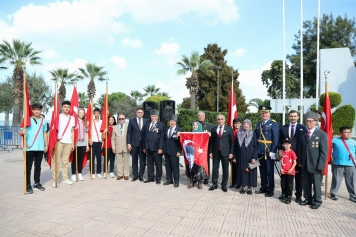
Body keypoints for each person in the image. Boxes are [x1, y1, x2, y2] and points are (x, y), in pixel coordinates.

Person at [298, 111, 327, 209]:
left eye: (310, 121)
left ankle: (317, 200)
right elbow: (300, 148)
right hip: (305, 164)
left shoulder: (321, 134)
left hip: (316, 164)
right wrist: (300, 161)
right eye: (307, 121)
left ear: (315, 122)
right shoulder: (303, 133)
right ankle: (308, 198)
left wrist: (321, 165)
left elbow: (324, 152)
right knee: (306, 182)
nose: (308, 123)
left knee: (316, 184)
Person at [278, 110, 307, 203]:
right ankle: (285, 194)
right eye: (291, 116)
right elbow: (280, 141)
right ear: (288, 117)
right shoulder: (283, 128)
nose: (293, 118)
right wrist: (279, 150)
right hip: (286, 157)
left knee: (299, 178)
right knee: (285, 179)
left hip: (298, 157)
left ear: (298, 117)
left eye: (295, 116)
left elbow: (305, 145)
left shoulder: (303, 128)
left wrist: (302, 160)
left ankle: (298, 196)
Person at [19, 103, 48, 194]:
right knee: (28, 167)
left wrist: (46, 145)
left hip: (39, 147)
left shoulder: (44, 121)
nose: (36, 111)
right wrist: (22, 132)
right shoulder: (27, 120)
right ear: (32, 110)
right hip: (29, 147)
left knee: (38, 166)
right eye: (35, 109)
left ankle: (37, 183)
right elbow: (20, 131)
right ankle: (28, 184)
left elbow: (45, 134)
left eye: (38, 109)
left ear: (41, 111)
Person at [255, 105, 279, 197]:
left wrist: (273, 151)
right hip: (260, 150)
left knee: (270, 171)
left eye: (266, 113)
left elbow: (276, 139)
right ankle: (264, 186)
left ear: (269, 113)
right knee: (262, 170)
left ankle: (270, 189)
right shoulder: (259, 123)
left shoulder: (274, 123)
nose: (264, 114)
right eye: (262, 113)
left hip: (269, 151)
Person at [329, 126, 356, 203]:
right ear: (341, 133)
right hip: (337, 164)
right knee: (336, 180)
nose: (348, 134)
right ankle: (333, 193)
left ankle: (353, 196)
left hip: (350, 164)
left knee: (351, 181)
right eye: (346, 132)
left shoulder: (353, 142)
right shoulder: (334, 141)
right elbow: (328, 148)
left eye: (349, 132)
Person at [209, 114, 234, 192]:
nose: (220, 121)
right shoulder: (213, 129)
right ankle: (214, 184)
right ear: (217, 120)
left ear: (225, 120)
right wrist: (210, 152)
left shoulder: (229, 129)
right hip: (215, 152)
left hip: (225, 153)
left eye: (221, 119)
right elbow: (211, 142)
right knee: (215, 169)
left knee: (225, 169)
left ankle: (224, 185)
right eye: (219, 119)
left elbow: (232, 142)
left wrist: (231, 153)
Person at [53, 100, 75, 187]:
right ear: (62, 107)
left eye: (68, 107)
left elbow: (72, 131)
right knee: (56, 161)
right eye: (65, 107)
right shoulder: (58, 117)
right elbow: (53, 129)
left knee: (65, 161)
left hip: (68, 142)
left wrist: (72, 143)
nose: (67, 108)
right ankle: (55, 180)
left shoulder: (72, 118)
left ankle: (65, 178)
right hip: (59, 141)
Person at [233, 119, 257, 195]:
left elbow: (256, 146)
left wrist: (254, 157)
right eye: (244, 124)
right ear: (242, 125)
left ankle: (249, 188)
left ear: (250, 125)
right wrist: (234, 157)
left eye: (247, 124)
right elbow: (235, 146)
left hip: (251, 156)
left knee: (251, 171)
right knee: (242, 171)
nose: (246, 125)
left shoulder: (253, 133)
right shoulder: (239, 133)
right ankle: (243, 187)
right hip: (240, 156)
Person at [143, 109, 165, 184]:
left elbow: (162, 138)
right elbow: (145, 136)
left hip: (157, 148)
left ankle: (158, 178)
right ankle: (150, 177)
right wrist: (144, 147)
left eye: (154, 116)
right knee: (149, 163)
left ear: (157, 117)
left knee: (158, 164)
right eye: (152, 116)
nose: (153, 117)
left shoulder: (161, 125)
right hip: (148, 147)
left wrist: (160, 148)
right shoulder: (147, 124)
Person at [127, 108, 148, 182]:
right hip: (134, 144)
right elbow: (129, 133)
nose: (139, 113)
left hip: (143, 144)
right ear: (136, 113)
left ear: (143, 113)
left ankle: (141, 175)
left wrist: (146, 145)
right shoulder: (132, 121)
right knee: (134, 160)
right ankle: (135, 175)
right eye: (138, 112)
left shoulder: (146, 121)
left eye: (141, 112)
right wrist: (129, 143)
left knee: (142, 160)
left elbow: (147, 134)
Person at [163, 114, 182, 188]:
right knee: (167, 166)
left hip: (174, 152)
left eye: (173, 121)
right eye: (171, 121)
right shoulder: (166, 129)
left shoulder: (179, 130)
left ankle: (176, 181)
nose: (172, 122)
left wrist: (179, 151)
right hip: (167, 150)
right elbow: (164, 139)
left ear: (175, 122)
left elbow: (181, 142)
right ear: (169, 122)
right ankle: (169, 179)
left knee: (175, 167)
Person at [71, 108, 89, 181]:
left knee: (80, 159)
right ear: (77, 113)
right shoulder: (74, 122)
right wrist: (72, 143)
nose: (82, 114)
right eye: (80, 113)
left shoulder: (85, 122)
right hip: (76, 143)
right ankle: (73, 174)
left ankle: (80, 173)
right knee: (74, 159)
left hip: (83, 143)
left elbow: (86, 134)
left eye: (83, 113)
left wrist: (87, 145)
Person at [112, 114, 130, 180]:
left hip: (126, 146)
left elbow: (130, 137)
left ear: (125, 119)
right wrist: (113, 147)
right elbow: (113, 138)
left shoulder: (128, 126)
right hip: (118, 146)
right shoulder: (115, 127)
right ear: (118, 119)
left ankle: (126, 174)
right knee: (118, 161)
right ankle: (120, 174)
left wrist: (130, 145)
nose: (121, 120)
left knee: (126, 161)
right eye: (120, 119)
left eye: (123, 118)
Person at [280, 138, 297, 204]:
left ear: (290, 145)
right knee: (283, 184)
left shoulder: (292, 152)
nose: (287, 145)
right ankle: (284, 195)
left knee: (289, 185)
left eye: (288, 144)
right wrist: (281, 168)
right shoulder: (282, 152)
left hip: (290, 172)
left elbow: (295, 162)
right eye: (285, 144)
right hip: (283, 171)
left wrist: (291, 169)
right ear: (283, 145)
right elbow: (281, 161)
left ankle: (289, 196)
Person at [198, 111, 213, 184]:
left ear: (204, 117)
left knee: (206, 163)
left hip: (206, 149)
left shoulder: (209, 126)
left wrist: (211, 151)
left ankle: (206, 177)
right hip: (197, 149)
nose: (200, 117)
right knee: (197, 163)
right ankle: (198, 177)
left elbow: (213, 139)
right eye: (199, 116)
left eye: (201, 115)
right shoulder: (195, 125)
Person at [90, 108, 103, 179]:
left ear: (99, 114)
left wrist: (102, 140)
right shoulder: (91, 122)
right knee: (92, 157)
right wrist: (89, 139)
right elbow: (88, 132)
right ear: (94, 114)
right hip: (92, 141)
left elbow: (103, 132)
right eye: (95, 113)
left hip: (99, 141)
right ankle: (92, 172)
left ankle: (98, 172)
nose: (96, 114)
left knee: (99, 157)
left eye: (98, 113)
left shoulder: (102, 122)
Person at [232, 118, 242, 188]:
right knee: (234, 168)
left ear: (240, 124)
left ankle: (239, 182)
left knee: (240, 168)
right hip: (233, 150)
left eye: (238, 123)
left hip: (240, 151)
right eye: (235, 123)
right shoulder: (231, 131)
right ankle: (233, 182)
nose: (237, 125)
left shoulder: (243, 131)